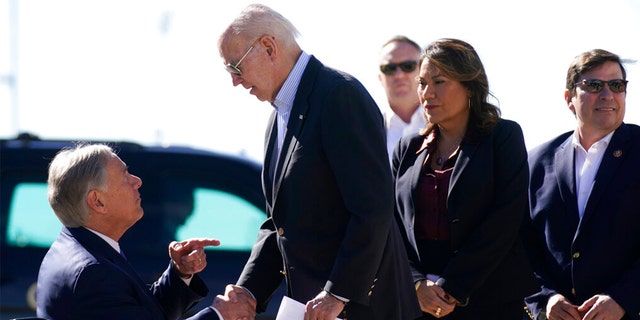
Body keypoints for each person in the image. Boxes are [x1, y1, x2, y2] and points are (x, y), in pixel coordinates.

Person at [217, 4, 421, 320]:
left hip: (363, 309)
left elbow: (372, 207)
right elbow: (279, 224)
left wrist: (338, 292)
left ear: (269, 47)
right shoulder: (278, 116)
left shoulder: (339, 95)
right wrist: (248, 291)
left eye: (235, 66)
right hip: (310, 307)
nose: (234, 81)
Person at [392, 38, 537, 319]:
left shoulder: (503, 137)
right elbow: (391, 224)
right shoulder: (407, 147)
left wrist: (453, 287)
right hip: (418, 303)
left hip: (488, 300)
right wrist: (415, 282)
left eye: (439, 81)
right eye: (422, 83)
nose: (427, 93)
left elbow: (505, 220)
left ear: (470, 85)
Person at [36, 143, 256, 320]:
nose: (138, 181)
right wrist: (219, 315)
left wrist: (180, 273)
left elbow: (141, 312)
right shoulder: (92, 271)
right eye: (125, 176)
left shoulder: (79, 248)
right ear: (97, 201)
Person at [524, 49, 639, 320]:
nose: (608, 94)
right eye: (594, 85)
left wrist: (624, 298)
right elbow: (522, 245)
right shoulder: (537, 161)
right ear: (569, 98)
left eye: (616, 85)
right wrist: (545, 298)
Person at [378, 35, 426, 162]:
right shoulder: (367, 130)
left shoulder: (446, 124)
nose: (399, 75)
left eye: (408, 66)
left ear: (424, 72)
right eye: (389, 68)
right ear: (380, 78)